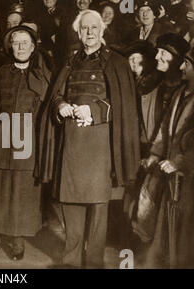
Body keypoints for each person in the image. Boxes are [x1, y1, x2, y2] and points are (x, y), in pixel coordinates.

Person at [38, 10, 140, 268]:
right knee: (70, 203)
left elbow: (125, 106)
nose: (90, 32)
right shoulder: (70, 62)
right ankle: (71, 261)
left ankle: (94, 263)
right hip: (72, 144)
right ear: (78, 32)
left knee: (97, 208)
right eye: (85, 28)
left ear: (102, 30)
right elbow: (56, 94)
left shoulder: (116, 62)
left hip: (99, 146)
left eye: (94, 27)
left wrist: (93, 112)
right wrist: (60, 106)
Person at [0, 25, 52, 261]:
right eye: (16, 43)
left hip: (27, 141)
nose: (20, 47)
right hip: (2, 138)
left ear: (33, 47)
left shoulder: (42, 74)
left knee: (21, 191)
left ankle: (18, 241)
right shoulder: (2, 71)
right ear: (11, 46)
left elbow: (48, 110)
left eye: (25, 43)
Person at [142, 44, 194, 269]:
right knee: (168, 225)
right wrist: (155, 154)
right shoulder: (180, 93)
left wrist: (181, 162)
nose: (182, 66)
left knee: (189, 231)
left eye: (187, 63)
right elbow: (164, 127)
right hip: (172, 174)